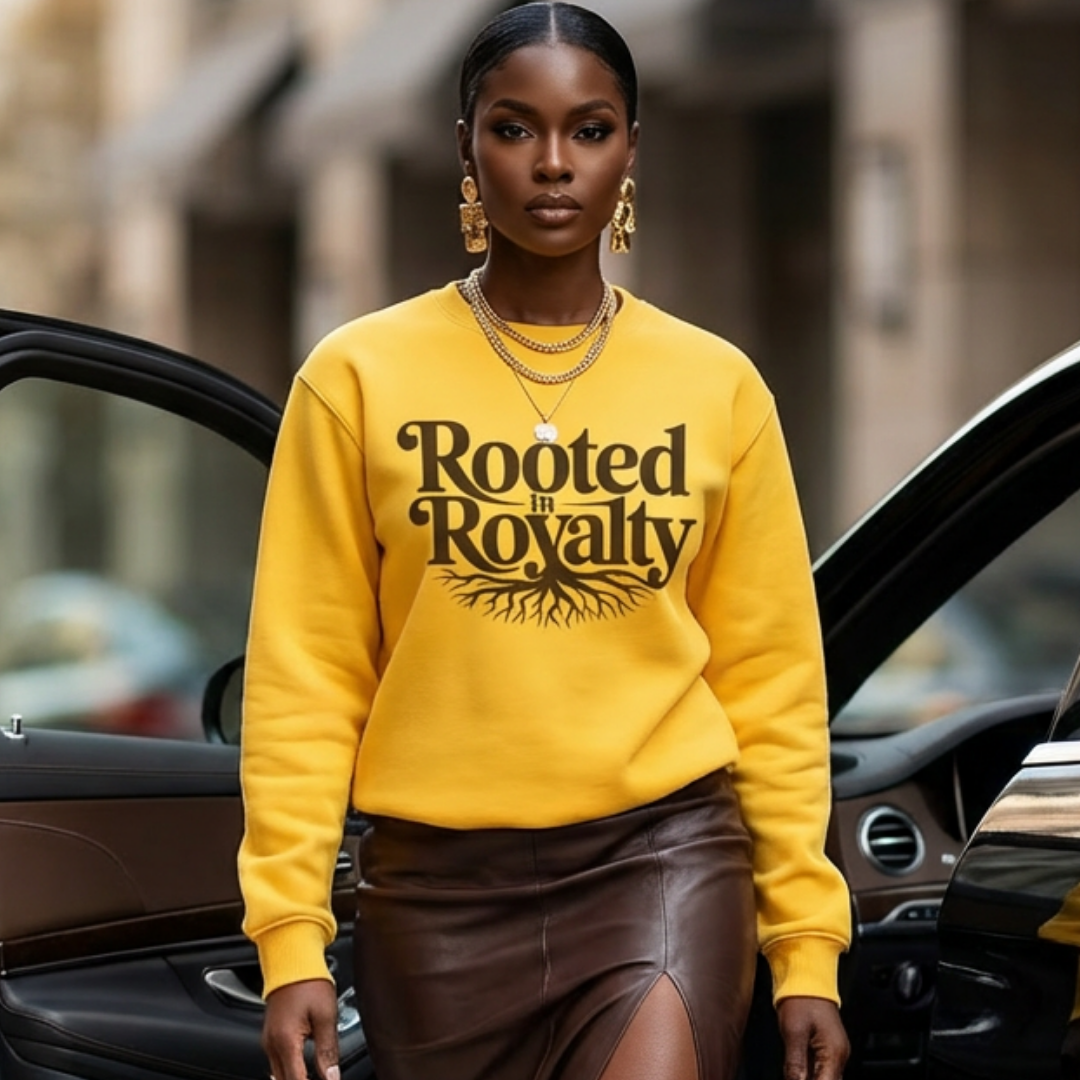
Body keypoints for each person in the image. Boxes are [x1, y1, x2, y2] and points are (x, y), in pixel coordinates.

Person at [238, 4, 851, 1079]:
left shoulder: (718, 387)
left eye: (591, 129)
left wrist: (806, 948)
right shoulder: (355, 378)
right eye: (515, 128)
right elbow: (307, 678)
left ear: (631, 150)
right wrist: (290, 937)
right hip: (434, 896)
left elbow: (772, 686)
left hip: (659, 859)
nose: (555, 163)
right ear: (465, 146)